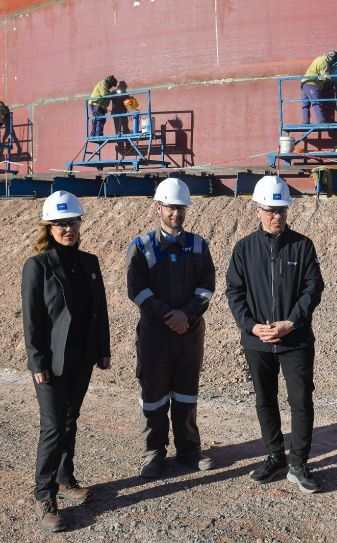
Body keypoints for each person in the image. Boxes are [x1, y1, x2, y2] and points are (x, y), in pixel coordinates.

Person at [226, 175, 325, 493]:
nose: (276, 216)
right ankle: (274, 456)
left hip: (295, 339)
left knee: (301, 400)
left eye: (281, 210)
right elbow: (234, 291)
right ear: (257, 210)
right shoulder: (244, 249)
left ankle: (298, 462)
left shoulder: (303, 246)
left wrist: (291, 323)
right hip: (257, 341)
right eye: (270, 210)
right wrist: (250, 326)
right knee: (265, 399)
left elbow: (313, 289)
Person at [21, 191, 111, 533]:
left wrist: (102, 349)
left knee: (71, 419)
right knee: (53, 426)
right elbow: (32, 320)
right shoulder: (38, 266)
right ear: (49, 227)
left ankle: (64, 476)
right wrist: (37, 362)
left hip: (81, 357)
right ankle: (45, 495)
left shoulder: (89, 262)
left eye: (72, 221)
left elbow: (99, 309)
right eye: (60, 223)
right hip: (51, 362)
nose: (68, 228)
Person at [126, 177, 216, 479]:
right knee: (154, 395)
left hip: (189, 333)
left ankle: (189, 450)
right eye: (170, 208)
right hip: (155, 335)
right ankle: (153, 453)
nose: (176, 213)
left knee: (186, 393)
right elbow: (136, 289)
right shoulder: (141, 246)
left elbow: (207, 286)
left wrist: (185, 315)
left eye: (181, 208)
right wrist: (169, 315)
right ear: (158, 208)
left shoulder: (198, 245)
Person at [300, 51, 337, 131]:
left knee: (305, 104)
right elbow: (325, 76)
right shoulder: (324, 63)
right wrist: (333, 78)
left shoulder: (319, 58)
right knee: (317, 103)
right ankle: (321, 122)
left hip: (304, 83)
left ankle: (305, 122)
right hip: (312, 83)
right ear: (333, 59)